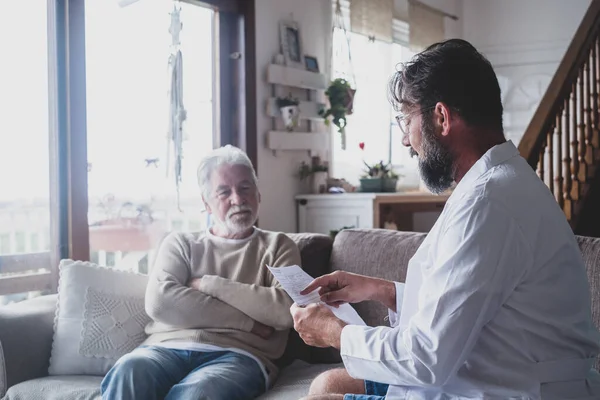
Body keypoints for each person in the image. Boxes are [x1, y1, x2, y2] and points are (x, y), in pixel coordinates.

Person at [291, 39, 600, 400]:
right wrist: (382, 291)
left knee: (321, 396)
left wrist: (333, 331)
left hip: (507, 389)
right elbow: (467, 304)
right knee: (328, 385)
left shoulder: (487, 203)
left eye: (407, 120)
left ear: (441, 117)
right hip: (489, 372)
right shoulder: (498, 182)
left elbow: (426, 357)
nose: (407, 140)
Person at [101, 145, 300, 400]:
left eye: (245, 188)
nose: (237, 199)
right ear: (207, 204)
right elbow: (160, 302)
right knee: (129, 370)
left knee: (199, 392)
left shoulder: (279, 247)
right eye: (224, 192)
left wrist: (209, 285)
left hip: (240, 356)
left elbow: (286, 311)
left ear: (259, 195)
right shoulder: (181, 244)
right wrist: (249, 322)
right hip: (165, 349)